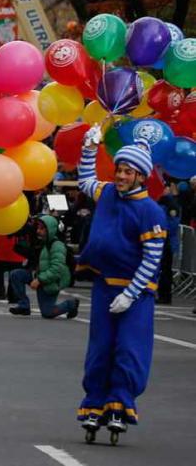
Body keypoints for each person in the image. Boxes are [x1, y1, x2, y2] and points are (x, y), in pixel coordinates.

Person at [74, 131, 167, 444]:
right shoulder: (108, 192)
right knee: (100, 349)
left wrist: (131, 293)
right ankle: (94, 403)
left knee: (129, 350)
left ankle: (120, 403)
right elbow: (86, 179)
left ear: (141, 175)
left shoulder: (151, 212)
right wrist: (89, 147)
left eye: (129, 171)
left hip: (136, 294)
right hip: (104, 285)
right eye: (120, 169)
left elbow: (152, 260)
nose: (122, 176)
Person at [8, 215, 79, 319]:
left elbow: (56, 269)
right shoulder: (43, 243)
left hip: (50, 282)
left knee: (48, 313)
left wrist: (39, 280)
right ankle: (24, 306)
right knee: (16, 274)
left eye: (42, 228)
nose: (38, 231)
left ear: (50, 230)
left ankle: (71, 304)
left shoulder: (57, 246)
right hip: (40, 276)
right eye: (38, 228)